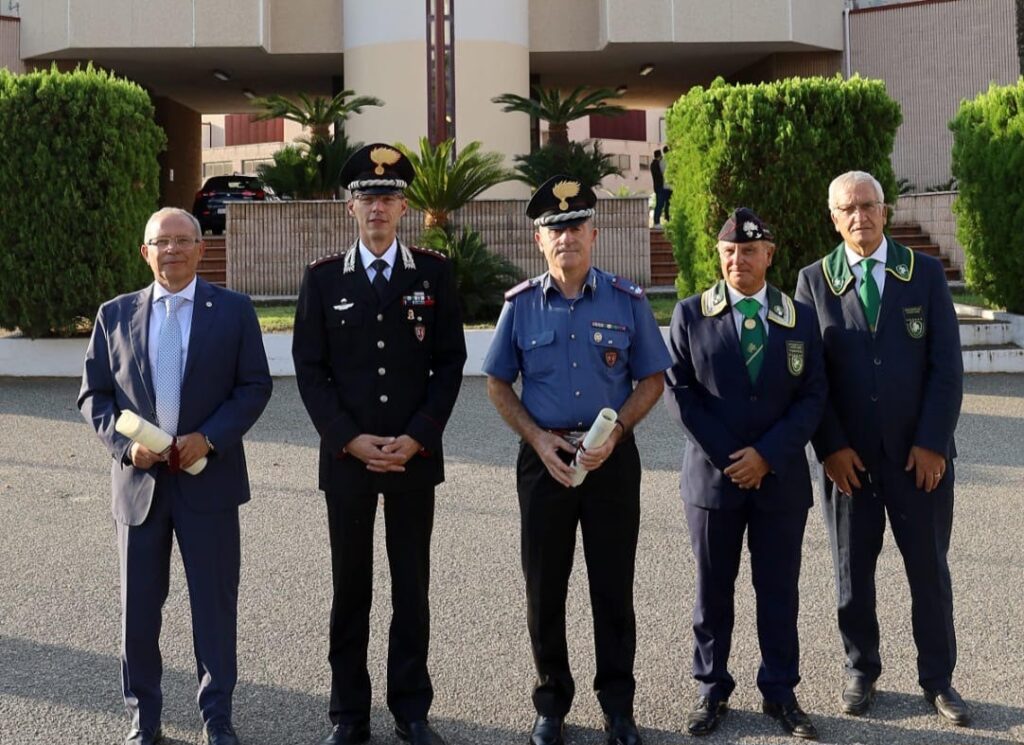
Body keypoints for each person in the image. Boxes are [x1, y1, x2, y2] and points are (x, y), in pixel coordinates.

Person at [483, 175, 671, 745]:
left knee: (613, 586)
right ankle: (551, 703)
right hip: (545, 460)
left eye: (574, 227)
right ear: (540, 241)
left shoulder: (626, 299)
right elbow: (496, 383)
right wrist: (538, 439)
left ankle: (618, 707)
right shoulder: (519, 307)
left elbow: (652, 379)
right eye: (553, 229)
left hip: (610, 458)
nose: (565, 237)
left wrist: (617, 435)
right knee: (546, 586)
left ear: (594, 233)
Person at [292, 144, 467, 745]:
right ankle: (349, 713)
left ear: (404, 207)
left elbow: (449, 363)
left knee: (410, 585)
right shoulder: (321, 279)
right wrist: (349, 439)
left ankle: (412, 708)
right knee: (351, 588)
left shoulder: (434, 272)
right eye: (367, 197)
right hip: (349, 459)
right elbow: (309, 370)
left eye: (388, 198)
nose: (378, 208)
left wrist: (418, 437)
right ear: (350, 207)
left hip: (413, 459)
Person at [78, 207, 273, 745]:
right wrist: (125, 447)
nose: (172, 250)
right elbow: (94, 396)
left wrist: (208, 437)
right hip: (139, 489)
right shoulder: (113, 315)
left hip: (208, 482)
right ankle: (144, 719)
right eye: (161, 242)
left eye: (183, 240)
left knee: (213, 606)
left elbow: (254, 386)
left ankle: (217, 718)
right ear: (145, 252)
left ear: (201, 248)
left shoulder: (233, 312)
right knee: (138, 609)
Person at [795, 171, 968, 726]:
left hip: (919, 461)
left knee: (929, 570)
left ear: (886, 211)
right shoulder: (814, 281)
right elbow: (810, 381)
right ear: (833, 217)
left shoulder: (924, 274)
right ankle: (860, 669)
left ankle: (938, 679)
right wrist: (831, 448)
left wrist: (933, 444)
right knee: (852, 573)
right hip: (849, 464)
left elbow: (947, 368)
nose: (859, 218)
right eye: (848, 209)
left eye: (869, 206)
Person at [664, 208, 827, 740]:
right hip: (714, 483)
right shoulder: (690, 315)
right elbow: (680, 394)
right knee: (713, 590)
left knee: (778, 590)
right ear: (719, 255)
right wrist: (734, 458)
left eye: (750, 250)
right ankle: (711, 690)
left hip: (779, 481)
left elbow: (813, 397)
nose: (740, 259)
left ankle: (780, 691)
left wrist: (767, 456)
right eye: (730, 251)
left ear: (769, 254)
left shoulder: (798, 317)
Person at [651, 149, 667, 229]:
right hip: (659, 187)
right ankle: (656, 222)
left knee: (660, 204)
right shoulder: (655, 164)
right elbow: (659, 175)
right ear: (659, 156)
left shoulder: (654, 164)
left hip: (658, 186)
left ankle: (657, 222)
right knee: (659, 204)